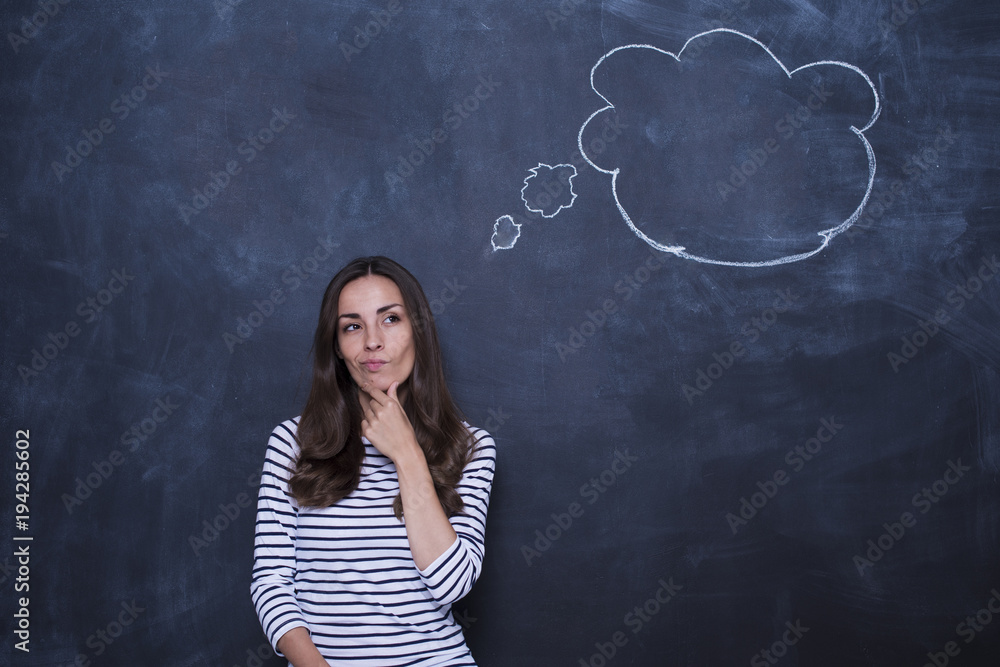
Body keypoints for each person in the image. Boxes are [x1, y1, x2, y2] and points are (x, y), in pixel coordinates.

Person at [251, 256, 496, 666]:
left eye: (391, 319)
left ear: (418, 331)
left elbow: (452, 585)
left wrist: (407, 454)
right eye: (352, 326)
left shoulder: (471, 447)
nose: (372, 342)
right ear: (337, 347)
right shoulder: (292, 443)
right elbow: (272, 584)